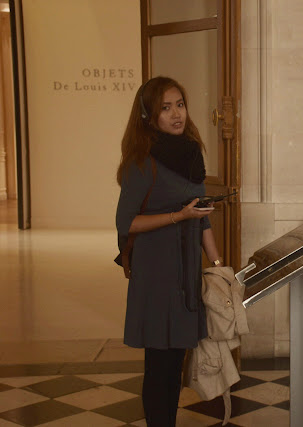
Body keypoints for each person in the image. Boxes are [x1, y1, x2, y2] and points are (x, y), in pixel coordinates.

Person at [115, 76, 222, 426]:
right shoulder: (141, 161)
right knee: (159, 362)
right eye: (165, 108)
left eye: (179, 104)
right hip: (156, 272)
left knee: (176, 359)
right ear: (149, 116)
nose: (176, 114)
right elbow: (125, 223)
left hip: (186, 270)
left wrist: (218, 264)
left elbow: (202, 216)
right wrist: (180, 215)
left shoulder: (191, 154)